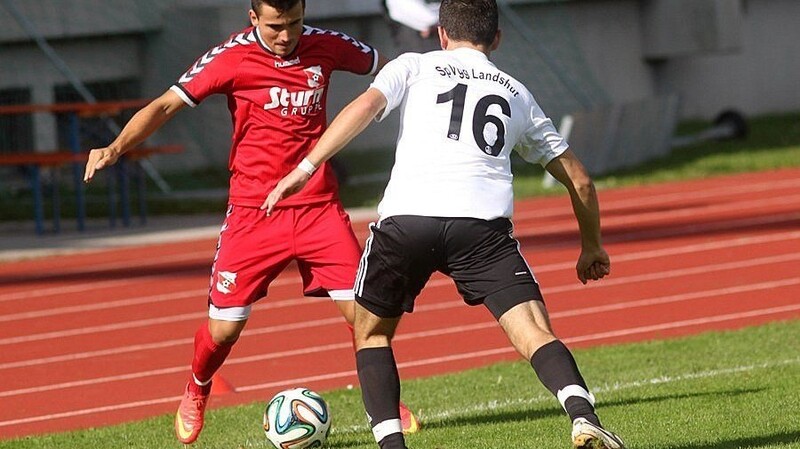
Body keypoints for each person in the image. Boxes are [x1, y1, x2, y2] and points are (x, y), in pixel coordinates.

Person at [265, 0, 626, 448]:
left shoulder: (414, 66)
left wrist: (306, 167)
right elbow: (581, 180)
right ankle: (582, 416)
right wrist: (592, 246)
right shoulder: (516, 92)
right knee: (533, 330)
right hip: (481, 228)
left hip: (408, 220)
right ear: (496, 39)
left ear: (440, 33)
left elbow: (364, 107)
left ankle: (393, 445)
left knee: (372, 333)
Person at [83, 0, 419, 444]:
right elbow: (166, 105)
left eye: (295, 23)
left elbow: (395, 69)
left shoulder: (328, 46)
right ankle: (197, 388)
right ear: (253, 18)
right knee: (224, 329)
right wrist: (116, 146)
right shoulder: (231, 58)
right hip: (253, 214)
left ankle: (383, 398)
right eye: (276, 26)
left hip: (319, 208)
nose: (287, 35)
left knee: (366, 316)